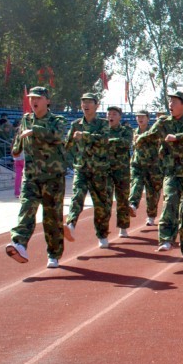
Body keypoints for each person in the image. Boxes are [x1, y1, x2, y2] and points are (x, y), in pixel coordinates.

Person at [137, 91, 183, 262]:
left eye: (175, 102)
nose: (171, 105)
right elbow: (149, 136)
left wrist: (177, 137)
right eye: (170, 102)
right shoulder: (163, 122)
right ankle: (166, 238)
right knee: (170, 200)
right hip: (172, 171)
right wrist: (139, 140)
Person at [5, 86, 67, 268]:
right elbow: (20, 138)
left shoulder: (57, 120)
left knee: (52, 217)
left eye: (38, 98)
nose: (33, 101)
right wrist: (16, 149)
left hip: (53, 177)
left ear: (47, 101)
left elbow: (57, 135)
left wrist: (35, 131)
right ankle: (19, 244)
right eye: (31, 98)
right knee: (27, 209)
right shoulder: (26, 119)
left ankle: (54, 254)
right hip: (31, 176)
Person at [64, 92, 112, 248]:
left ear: (97, 105)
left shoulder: (103, 124)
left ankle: (102, 235)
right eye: (83, 102)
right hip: (82, 169)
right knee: (77, 196)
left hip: (99, 171)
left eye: (89, 102)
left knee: (101, 204)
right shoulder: (75, 125)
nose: (86, 105)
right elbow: (67, 146)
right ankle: (70, 224)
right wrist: (70, 161)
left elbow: (104, 140)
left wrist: (85, 136)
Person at [129, 110, 163, 226]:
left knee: (152, 193)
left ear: (148, 119)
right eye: (138, 117)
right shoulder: (134, 132)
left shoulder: (153, 131)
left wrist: (142, 137)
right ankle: (133, 205)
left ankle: (151, 216)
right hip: (138, 165)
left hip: (153, 166)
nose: (140, 119)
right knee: (136, 184)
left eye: (143, 117)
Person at [105, 106, 133, 237]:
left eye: (114, 114)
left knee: (122, 198)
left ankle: (123, 226)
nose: (111, 116)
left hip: (122, 170)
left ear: (120, 117)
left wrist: (108, 141)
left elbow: (126, 143)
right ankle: (103, 229)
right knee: (106, 200)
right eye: (109, 114)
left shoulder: (126, 130)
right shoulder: (103, 130)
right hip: (106, 170)